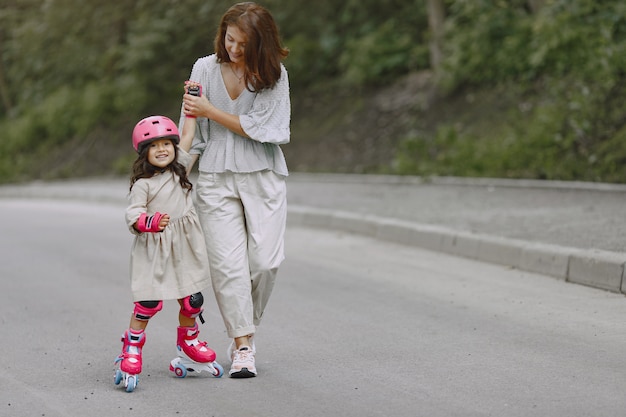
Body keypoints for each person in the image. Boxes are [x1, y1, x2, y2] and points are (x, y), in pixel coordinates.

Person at [179, 2, 290, 378]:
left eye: (244, 43)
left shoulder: (274, 75)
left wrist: (210, 110)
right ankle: (243, 344)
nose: (234, 49)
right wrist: (173, 177)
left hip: (262, 174)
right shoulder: (203, 69)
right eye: (230, 39)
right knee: (228, 267)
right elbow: (190, 133)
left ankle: (246, 323)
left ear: (262, 43)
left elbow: (263, 128)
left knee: (265, 263)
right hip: (213, 176)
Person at [114, 111, 221, 392]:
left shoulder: (180, 170)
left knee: (192, 300)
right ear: (143, 153)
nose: (162, 150)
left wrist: (190, 110)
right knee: (148, 304)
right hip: (155, 250)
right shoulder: (143, 185)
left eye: (166, 144)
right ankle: (132, 348)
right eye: (154, 146)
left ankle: (188, 341)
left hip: (185, 246)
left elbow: (188, 134)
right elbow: (132, 215)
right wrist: (148, 221)